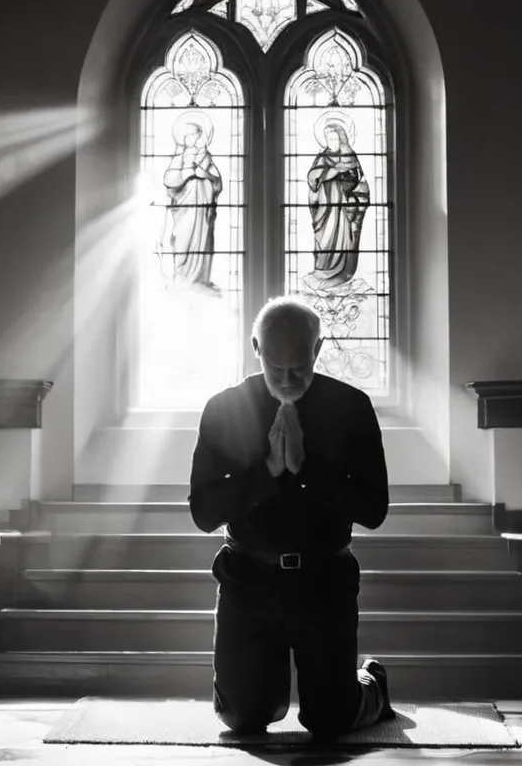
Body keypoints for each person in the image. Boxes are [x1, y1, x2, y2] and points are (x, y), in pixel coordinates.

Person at [188, 295, 394, 739]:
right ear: (256, 349)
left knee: (330, 720)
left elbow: (374, 510)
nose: (286, 380)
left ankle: (372, 683)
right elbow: (204, 512)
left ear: (318, 349)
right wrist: (267, 472)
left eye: (298, 368)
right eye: (275, 368)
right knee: (242, 718)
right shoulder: (223, 409)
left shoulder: (352, 408)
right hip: (247, 580)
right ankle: (267, 688)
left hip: (325, 581)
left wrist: (307, 471)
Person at [305, 122, 369, 291]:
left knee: (342, 238)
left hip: (342, 208)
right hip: (324, 208)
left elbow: (358, 181)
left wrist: (344, 174)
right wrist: (332, 171)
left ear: (341, 138)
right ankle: (322, 272)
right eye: (328, 138)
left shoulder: (350, 157)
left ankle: (339, 275)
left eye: (334, 137)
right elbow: (312, 178)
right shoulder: (322, 157)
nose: (331, 141)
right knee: (323, 240)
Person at [162, 117, 223, 294]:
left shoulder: (205, 157)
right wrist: (185, 174)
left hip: (202, 210)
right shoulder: (178, 158)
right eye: (188, 136)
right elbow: (169, 180)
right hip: (183, 210)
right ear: (183, 138)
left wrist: (204, 174)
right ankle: (181, 280)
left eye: (195, 135)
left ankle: (199, 280)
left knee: (201, 245)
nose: (192, 139)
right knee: (182, 244)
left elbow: (217, 182)